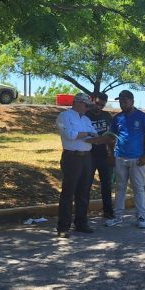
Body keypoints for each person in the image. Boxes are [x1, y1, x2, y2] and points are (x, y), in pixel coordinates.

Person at [55, 92, 115, 238]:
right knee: (68, 192)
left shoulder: (86, 119)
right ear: (76, 102)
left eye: (88, 105)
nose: (88, 108)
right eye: (85, 105)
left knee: (83, 192)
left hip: (87, 157)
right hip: (72, 157)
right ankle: (63, 227)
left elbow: (93, 136)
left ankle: (81, 223)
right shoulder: (64, 116)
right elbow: (70, 135)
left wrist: (104, 139)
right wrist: (86, 134)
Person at [105, 90, 145, 229]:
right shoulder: (117, 118)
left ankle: (141, 216)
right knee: (120, 188)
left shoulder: (143, 117)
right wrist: (111, 155)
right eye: (120, 101)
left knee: (138, 188)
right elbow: (111, 138)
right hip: (120, 158)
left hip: (137, 159)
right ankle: (118, 217)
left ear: (132, 101)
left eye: (125, 101)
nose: (122, 104)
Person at [85, 91, 115, 220]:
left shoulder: (107, 116)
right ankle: (82, 214)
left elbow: (112, 136)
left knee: (107, 185)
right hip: (89, 156)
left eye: (102, 105)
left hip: (105, 155)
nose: (99, 107)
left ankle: (108, 211)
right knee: (85, 185)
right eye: (97, 103)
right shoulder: (85, 116)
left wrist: (112, 155)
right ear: (92, 100)